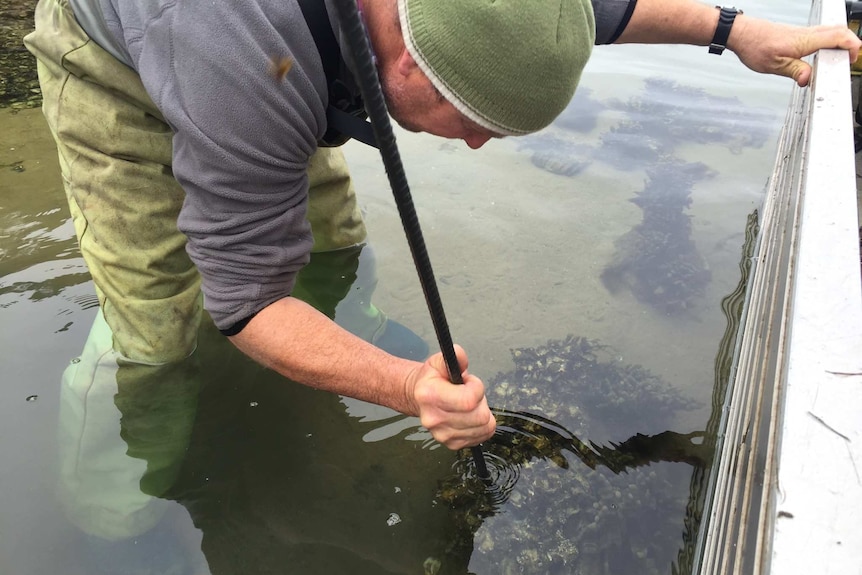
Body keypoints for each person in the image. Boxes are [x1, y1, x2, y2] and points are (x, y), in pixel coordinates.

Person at [23, 0, 862, 452]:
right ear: (404, 56)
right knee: (163, 330)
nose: (473, 143)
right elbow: (242, 300)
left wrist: (738, 30)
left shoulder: (491, 10)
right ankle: (122, 512)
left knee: (335, 245)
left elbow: (605, 8)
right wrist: (403, 386)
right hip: (127, 62)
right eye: (468, 118)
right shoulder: (242, 54)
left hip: (290, 67)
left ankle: (331, 359)